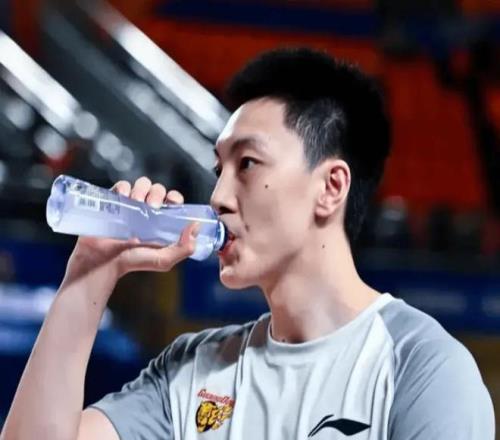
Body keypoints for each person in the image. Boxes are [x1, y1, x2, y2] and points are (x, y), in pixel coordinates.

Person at [1, 47, 494, 440]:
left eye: (248, 164)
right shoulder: (192, 370)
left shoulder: (423, 369)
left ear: (331, 188)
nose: (217, 196)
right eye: (219, 169)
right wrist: (88, 274)